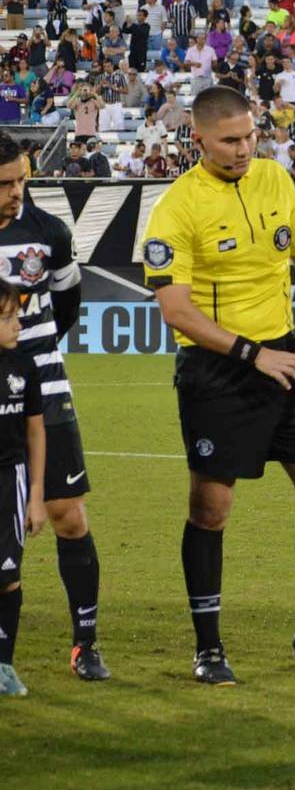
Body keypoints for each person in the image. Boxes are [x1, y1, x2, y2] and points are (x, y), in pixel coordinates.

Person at [141, 87, 295, 685]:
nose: (243, 149)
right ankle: (208, 647)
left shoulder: (274, 179)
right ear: (199, 139)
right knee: (211, 510)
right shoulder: (176, 208)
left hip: (284, 354)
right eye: (230, 140)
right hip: (217, 369)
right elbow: (176, 311)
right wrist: (250, 354)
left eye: (250, 136)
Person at [0, 131, 108, 681]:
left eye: (21, 179)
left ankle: (84, 643)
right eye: (5, 184)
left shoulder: (49, 232)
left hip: (42, 381)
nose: (16, 191)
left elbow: (68, 303)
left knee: (67, 513)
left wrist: (31, 356)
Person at [0, 279, 46, 697]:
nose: (18, 324)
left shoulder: (23, 367)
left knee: (7, 577)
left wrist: (36, 496)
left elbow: (35, 432)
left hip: (9, 481)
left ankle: (3, 665)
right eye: (8, 317)